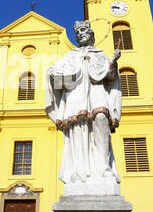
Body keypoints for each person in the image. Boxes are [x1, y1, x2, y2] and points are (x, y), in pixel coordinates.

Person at [45, 20, 122, 184]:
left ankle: (104, 169)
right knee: (78, 128)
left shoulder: (100, 54)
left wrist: (113, 64)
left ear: (91, 35)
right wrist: (52, 73)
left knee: (101, 118)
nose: (81, 35)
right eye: (78, 33)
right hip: (76, 94)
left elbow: (111, 78)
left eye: (84, 32)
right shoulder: (71, 55)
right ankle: (78, 172)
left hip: (97, 90)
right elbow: (57, 77)